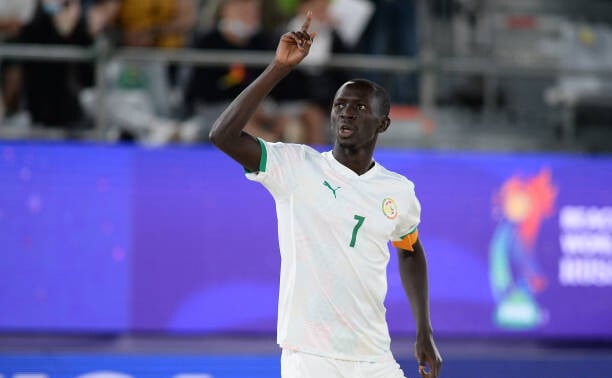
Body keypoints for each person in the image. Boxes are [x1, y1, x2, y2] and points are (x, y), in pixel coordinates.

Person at [209, 12, 442, 378]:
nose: (346, 113)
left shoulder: (398, 191)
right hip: (310, 356)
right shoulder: (295, 166)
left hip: (373, 356)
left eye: (360, 108)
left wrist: (424, 331)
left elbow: (410, 250)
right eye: (339, 105)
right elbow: (222, 136)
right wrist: (278, 68)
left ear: (383, 124)